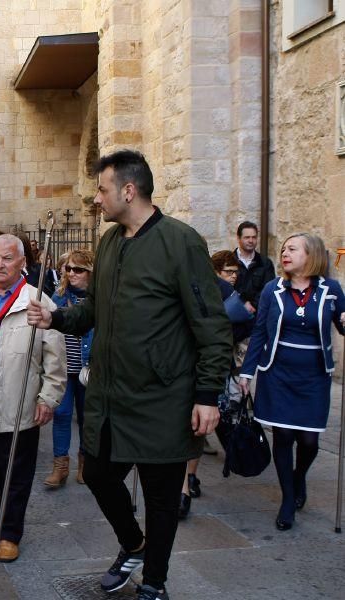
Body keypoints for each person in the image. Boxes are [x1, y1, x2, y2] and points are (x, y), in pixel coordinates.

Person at [27, 150, 231, 600]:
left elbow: (211, 324)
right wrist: (55, 319)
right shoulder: (112, 242)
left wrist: (207, 394)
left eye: (102, 189)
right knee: (98, 474)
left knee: (161, 499)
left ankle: (154, 582)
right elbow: (95, 311)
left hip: (164, 397)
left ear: (128, 190)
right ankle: (134, 545)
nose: (96, 199)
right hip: (110, 397)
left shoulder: (181, 242)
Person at [0, 234, 65, 562]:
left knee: (16, 470)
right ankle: (1, 498)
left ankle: (10, 533)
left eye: (7, 258)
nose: (0, 265)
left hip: (19, 400)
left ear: (22, 263)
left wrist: (48, 397)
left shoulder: (39, 302)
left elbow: (55, 356)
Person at [238, 233, 345, 531]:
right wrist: (247, 372)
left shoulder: (331, 290)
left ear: (311, 255)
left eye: (292, 249)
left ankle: (299, 478)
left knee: (309, 440)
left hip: (313, 376)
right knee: (283, 436)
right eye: (284, 249)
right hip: (278, 373)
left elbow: (341, 324)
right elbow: (260, 332)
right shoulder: (273, 289)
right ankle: (288, 500)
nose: (285, 253)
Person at [179, 250, 249, 518]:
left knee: (196, 427)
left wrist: (223, 338)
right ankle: (183, 484)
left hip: (208, 367)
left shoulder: (217, 287)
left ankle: (189, 478)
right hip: (178, 366)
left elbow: (243, 323)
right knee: (185, 425)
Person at [44, 249, 94, 489]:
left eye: (78, 269)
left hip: (88, 371)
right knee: (61, 415)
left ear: (91, 272)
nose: (72, 273)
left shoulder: (98, 299)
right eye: (68, 268)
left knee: (86, 418)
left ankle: (84, 463)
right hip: (65, 368)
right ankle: (60, 465)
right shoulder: (60, 296)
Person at [233, 221, 276, 325]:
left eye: (254, 237)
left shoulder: (265, 263)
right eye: (247, 237)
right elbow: (224, 287)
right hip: (233, 316)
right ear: (238, 239)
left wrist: (252, 306)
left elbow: (268, 289)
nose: (251, 241)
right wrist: (242, 303)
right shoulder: (229, 261)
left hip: (257, 317)